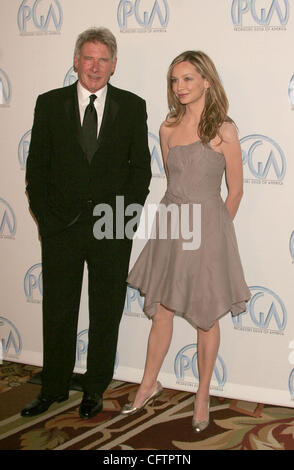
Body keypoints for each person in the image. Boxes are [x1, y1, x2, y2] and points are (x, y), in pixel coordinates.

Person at [21, 27, 151, 419]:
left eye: (103, 59)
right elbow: (37, 168)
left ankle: (95, 387)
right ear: (76, 61)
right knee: (58, 309)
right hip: (61, 227)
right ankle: (55, 387)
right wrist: (46, 220)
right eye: (88, 58)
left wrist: (123, 220)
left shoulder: (132, 105)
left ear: (114, 65)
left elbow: (140, 171)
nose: (95, 66)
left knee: (106, 309)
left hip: (110, 227)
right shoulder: (49, 103)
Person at [121, 51, 251, 432]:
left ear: (207, 80)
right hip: (172, 226)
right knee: (161, 309)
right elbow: (172, 182)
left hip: (207, 230)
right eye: (175, 80)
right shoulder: (166, 128)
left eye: (188, 79)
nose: (179, 87)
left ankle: (203, 394)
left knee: (205, 315)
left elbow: (236, 191)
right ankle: (148, 384)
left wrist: (215, 234)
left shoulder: (224, 130)